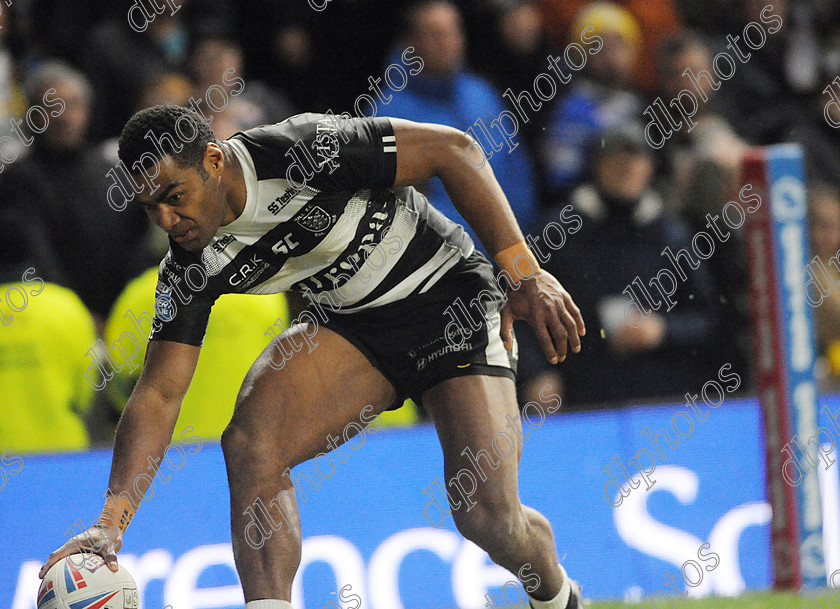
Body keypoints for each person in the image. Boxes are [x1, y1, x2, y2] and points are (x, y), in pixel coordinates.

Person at [38, 105, 587, 609]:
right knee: (252, 443)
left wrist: (523, 272)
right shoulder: (188, 267)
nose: (165, 220)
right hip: (353, 324)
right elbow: (159, 393)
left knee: (488, 519)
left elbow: (454, 150)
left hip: (449, 302)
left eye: (174, 196)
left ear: (212, 160)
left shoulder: (302, 148)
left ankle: (558, 596)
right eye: (150, 206)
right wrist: (111, 522)